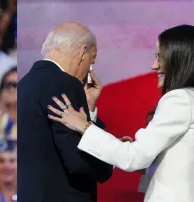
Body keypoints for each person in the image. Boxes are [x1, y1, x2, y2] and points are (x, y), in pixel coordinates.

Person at [47, 24, 194, 202]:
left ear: (179, 59)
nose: (154, 65)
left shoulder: (179, 99)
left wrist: (84, 125)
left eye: (159, 57)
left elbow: (133, 158)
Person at [17, 22, 113, 202]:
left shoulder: (23, 84)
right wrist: (111, 160)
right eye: (91, 64)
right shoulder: (66, 83)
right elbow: (77, 161)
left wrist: (89, 108)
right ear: (83, 52)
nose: (88, 72)